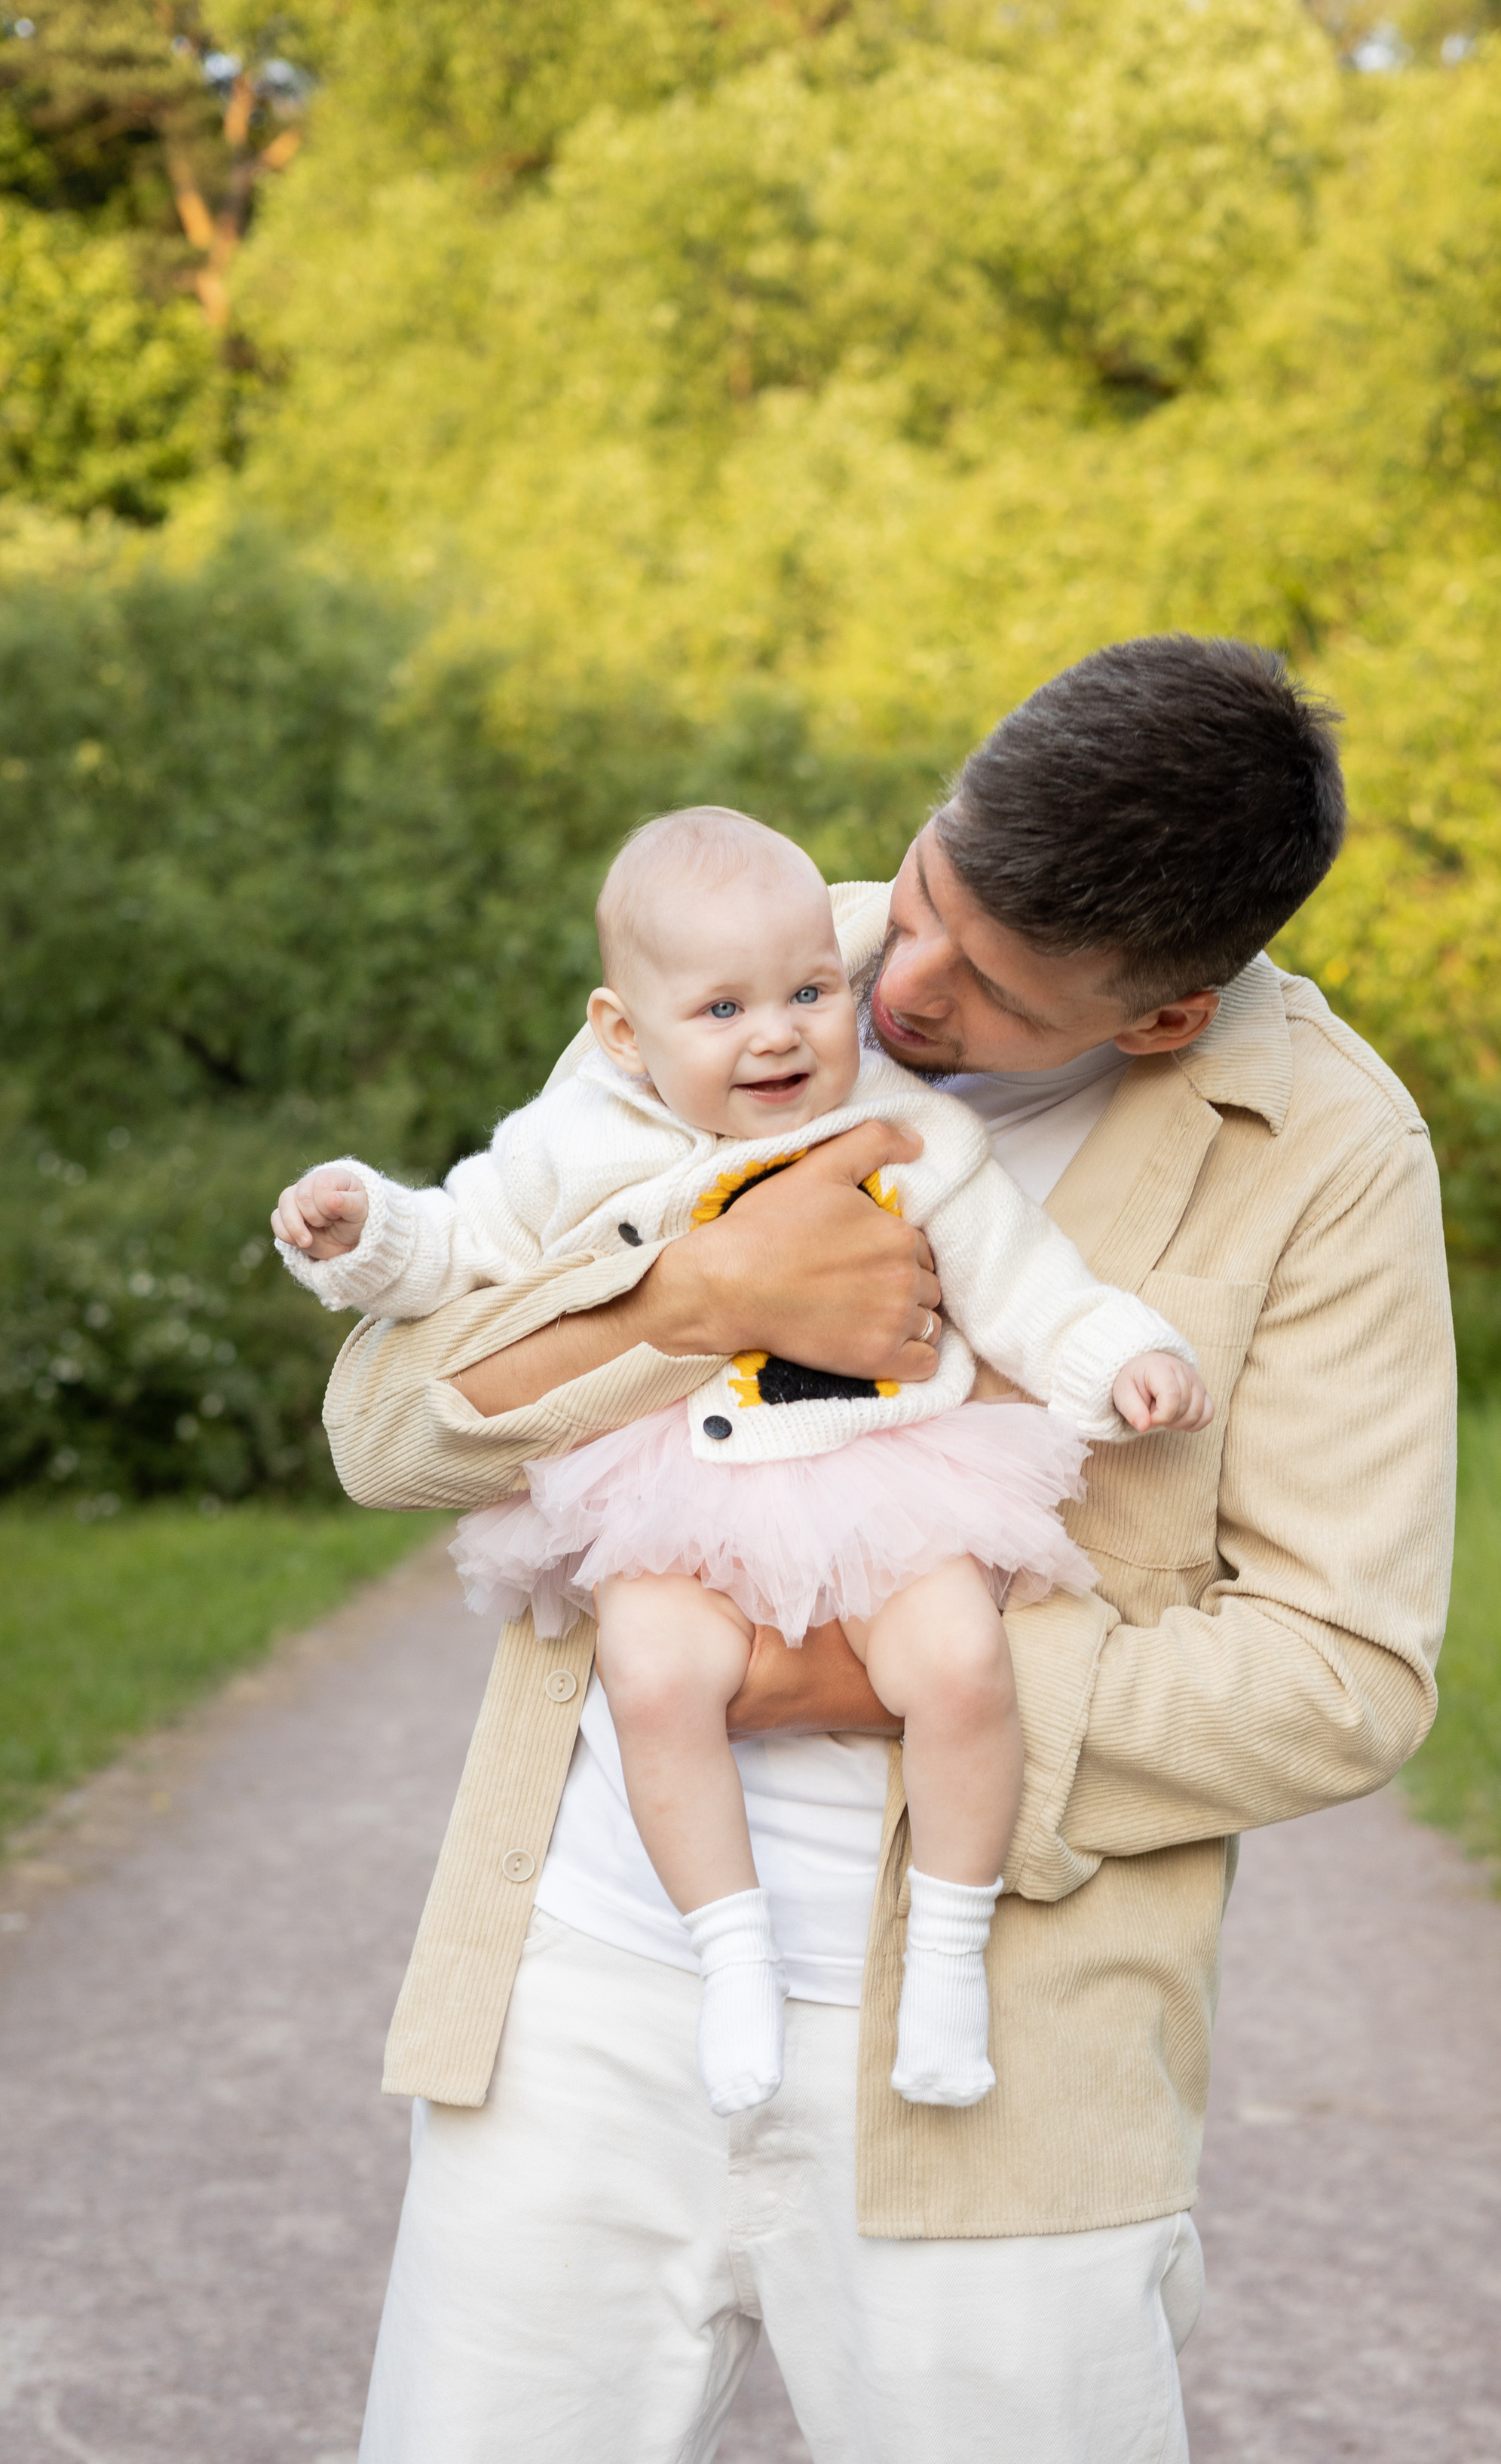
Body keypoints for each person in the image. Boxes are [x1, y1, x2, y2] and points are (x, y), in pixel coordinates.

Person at [297, 635, 1458, 2464]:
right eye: (917, 890)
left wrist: (864, 1678)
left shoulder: (1321, 1151)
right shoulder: (736, 962)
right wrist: (690, 1309)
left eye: (987, 985)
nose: (894, 982)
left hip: (997, 2059)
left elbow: (1343, 1669)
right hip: (585, 1988)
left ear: (1160, 1019)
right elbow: (389, 1425)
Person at [270, 806, 1207, 2118]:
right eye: (722, 1010)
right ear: (623, 1032)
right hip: (673, 1492)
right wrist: (363, 1232)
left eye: (811, 993)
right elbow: (459, 1247)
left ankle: (947, 1958)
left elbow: (1022, 1279)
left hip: (884, 1470)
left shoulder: (909, 1127)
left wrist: (1120, 1354)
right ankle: (732, 1959)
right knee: (656, 1678)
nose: (777, 1035)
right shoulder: (575, 1135)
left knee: (961, 1665)